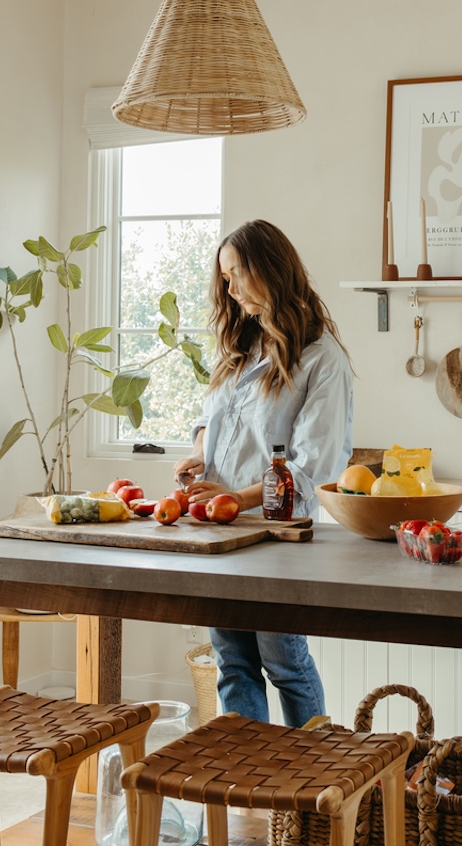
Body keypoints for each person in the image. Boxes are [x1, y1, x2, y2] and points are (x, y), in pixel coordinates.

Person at [173, 219, 353, 727]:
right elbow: (210, 417)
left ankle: (310, 791)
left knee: (284, 663)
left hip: (276, 538)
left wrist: (234, 499)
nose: (229, 289)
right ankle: (252, 791)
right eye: (224, 278)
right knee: (233, 665)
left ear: (268, 270)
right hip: (221, 533)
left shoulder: (321, 360)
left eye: (237, 275)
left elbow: (312, 469)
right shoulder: (241, 345)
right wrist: (198, 454)